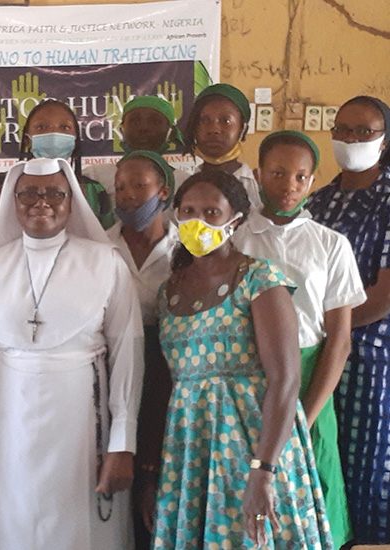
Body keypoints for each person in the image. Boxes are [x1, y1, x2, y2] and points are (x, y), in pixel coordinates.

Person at [0, 157, 143, 549]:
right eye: (29, 193)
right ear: (12, 201)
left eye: (55, 193)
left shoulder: (106, 263)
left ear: (72, 202)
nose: (42, 202)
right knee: (12, 522)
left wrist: (122, 444)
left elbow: (128, 355)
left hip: (84, 421)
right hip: (8, 427)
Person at [153, 170, 332, 549]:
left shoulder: (259, 279)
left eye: (211, 212)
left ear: (235, 220)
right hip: (191, 446)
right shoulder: (168, 291)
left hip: (254, 445)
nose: (197, 220)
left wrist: (263, 471)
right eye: (188, 210)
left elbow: (285, 380)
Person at [233, 130, 364, 548]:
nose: (288, 186)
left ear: (312, 180)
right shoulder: (237, 240)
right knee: (251, 490)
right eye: (277, 173)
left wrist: (305, 420)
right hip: (249, 382)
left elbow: (338, 340)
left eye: (300, 177)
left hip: (311, 380)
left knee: (314, 484)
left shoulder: (331, 245)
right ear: (258, 175)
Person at [307, 95, 390, 545]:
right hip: (317, 355)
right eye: (342, 130)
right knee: (319, 456)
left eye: (365, 131)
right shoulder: (317, 201)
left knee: (366, 464)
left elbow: (383, 294)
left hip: (369, 360)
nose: (351, 139)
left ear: (384, 139)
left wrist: (331, 326)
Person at [104, 150, 177, 550]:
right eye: (120, 188)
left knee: (160, 466)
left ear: (163, 190)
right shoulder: (101, 246)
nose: (128, 195)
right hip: (113, 362)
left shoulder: (187, 249)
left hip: (170, 365)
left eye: (139, 185)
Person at [17, 99, 116, 228]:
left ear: (75, 140)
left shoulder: (95, 191)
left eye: (64, 128)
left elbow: (108, 238)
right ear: (27, 140)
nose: (53, 133)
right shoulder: (6, 188)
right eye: (41, 127)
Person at [83, 95, 189, 196]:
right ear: (122, 129)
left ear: (169, 132)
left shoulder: (184, 183)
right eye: (134, 121)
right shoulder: (94, 176)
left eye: (155, 122)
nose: (144, 128)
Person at [183, 83, 262, 210]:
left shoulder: (258, 189)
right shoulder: (183, 186)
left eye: (226, 121)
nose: (213, 129)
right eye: (204, 120)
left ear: (243, 129)